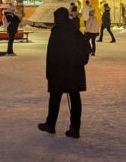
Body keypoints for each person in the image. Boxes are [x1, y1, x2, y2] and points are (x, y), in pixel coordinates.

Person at [38, 7, 90, 139]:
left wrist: (49, 73)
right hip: (74, 71)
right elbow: (86, 47)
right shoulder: (75, 30)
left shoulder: (57, 32)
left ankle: (51, 124)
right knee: (75, 99)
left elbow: (52, 55)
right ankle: (75, 128)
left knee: (55, 98)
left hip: (59, 71)